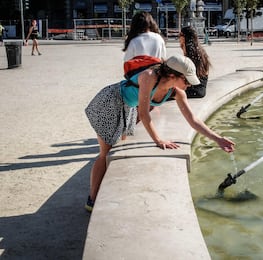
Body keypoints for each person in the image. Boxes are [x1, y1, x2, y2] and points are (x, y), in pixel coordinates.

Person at [84, 54, 235, 212]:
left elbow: (193, 120)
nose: (190, 85)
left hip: (127, 108)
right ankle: (92, 199)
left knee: (117, 149)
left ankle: (107, 193)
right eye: (186, 80)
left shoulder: (177, 92)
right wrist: (158, 140)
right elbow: (143, 113)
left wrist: (218, 139)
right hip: (111, 101)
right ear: (172, 75)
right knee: (105, 152)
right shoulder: (149, 77)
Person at [179, 26, 211, 98]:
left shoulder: (189, 50)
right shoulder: (198, 49)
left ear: (185, 37)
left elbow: (187, 72)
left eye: (180, 35)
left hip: (195, 90)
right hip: (200, 88)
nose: (178, 38)